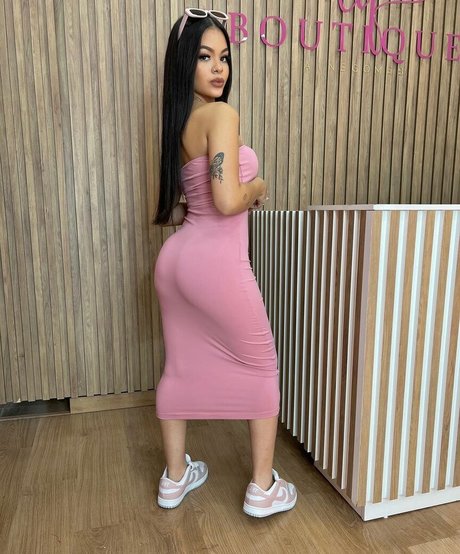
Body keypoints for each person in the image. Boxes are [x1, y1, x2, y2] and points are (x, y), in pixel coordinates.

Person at [153, 8, 297, 518]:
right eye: (204, 57)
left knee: (179, 366)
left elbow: (186, 205)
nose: (218, 68)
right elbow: (228, 200)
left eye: (224, 57)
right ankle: (263, 488)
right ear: (184, 65)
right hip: (215, 262)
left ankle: (175, 478)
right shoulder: (221, 116)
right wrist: (258, 186)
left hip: (176, 261)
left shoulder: (180, 125)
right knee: (263, 365)